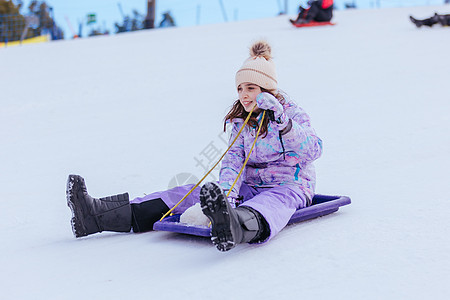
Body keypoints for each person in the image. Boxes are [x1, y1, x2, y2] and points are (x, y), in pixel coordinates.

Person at [66, 40, 323, 252]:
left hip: (290, 185)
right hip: (250, 185)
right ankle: (96, 216)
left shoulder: (290, 114)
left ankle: (234, 226)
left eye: (251, 88)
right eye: (240, 88)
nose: (244, 95)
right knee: (189, 193)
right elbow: (233, 161)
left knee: (272, 203)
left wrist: (284, 124)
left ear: (268, 90)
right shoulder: (241, 121)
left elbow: (314, 150)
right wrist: (226, 196)